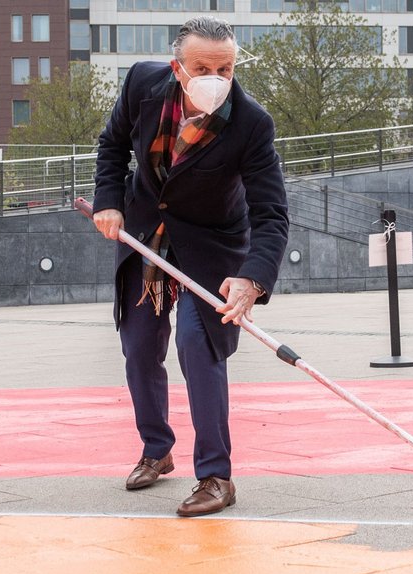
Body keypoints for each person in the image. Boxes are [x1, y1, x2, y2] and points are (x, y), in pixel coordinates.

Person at [91, 16, 289, 516]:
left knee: (198, 350)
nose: (216, 77)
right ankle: (157, 450)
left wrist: (253, 277)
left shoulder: (251, 123)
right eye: (203, 66)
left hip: (212, 245)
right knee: (139, 349)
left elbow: (271, 213)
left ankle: (216, 476)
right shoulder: (142, 83)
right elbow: (112, 145)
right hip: (146, 235)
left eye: (225, 68)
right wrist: (108, 201)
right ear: (179, 67)